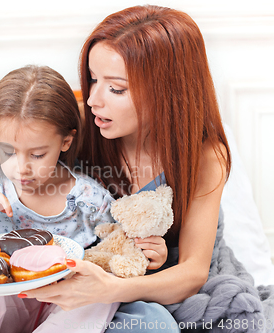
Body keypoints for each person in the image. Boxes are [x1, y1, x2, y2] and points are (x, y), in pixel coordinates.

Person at [0, 65, 168, 332]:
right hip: (2, 297)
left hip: (65, 302)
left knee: (99, 295)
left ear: (66, 142)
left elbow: (120, 242)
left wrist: (152, 253)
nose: (21, 167)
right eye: (8, 152)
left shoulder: (87, 195)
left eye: (37, 155)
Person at [21, 5, 232, 332]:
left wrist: (109, 289)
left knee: (154, 325)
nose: (93, 99)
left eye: (116, 88)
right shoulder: (77, 124)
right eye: (92, 79)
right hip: (63, 266)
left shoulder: (205, 156)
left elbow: (192, 271)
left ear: (169, 91)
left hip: (129, 285)